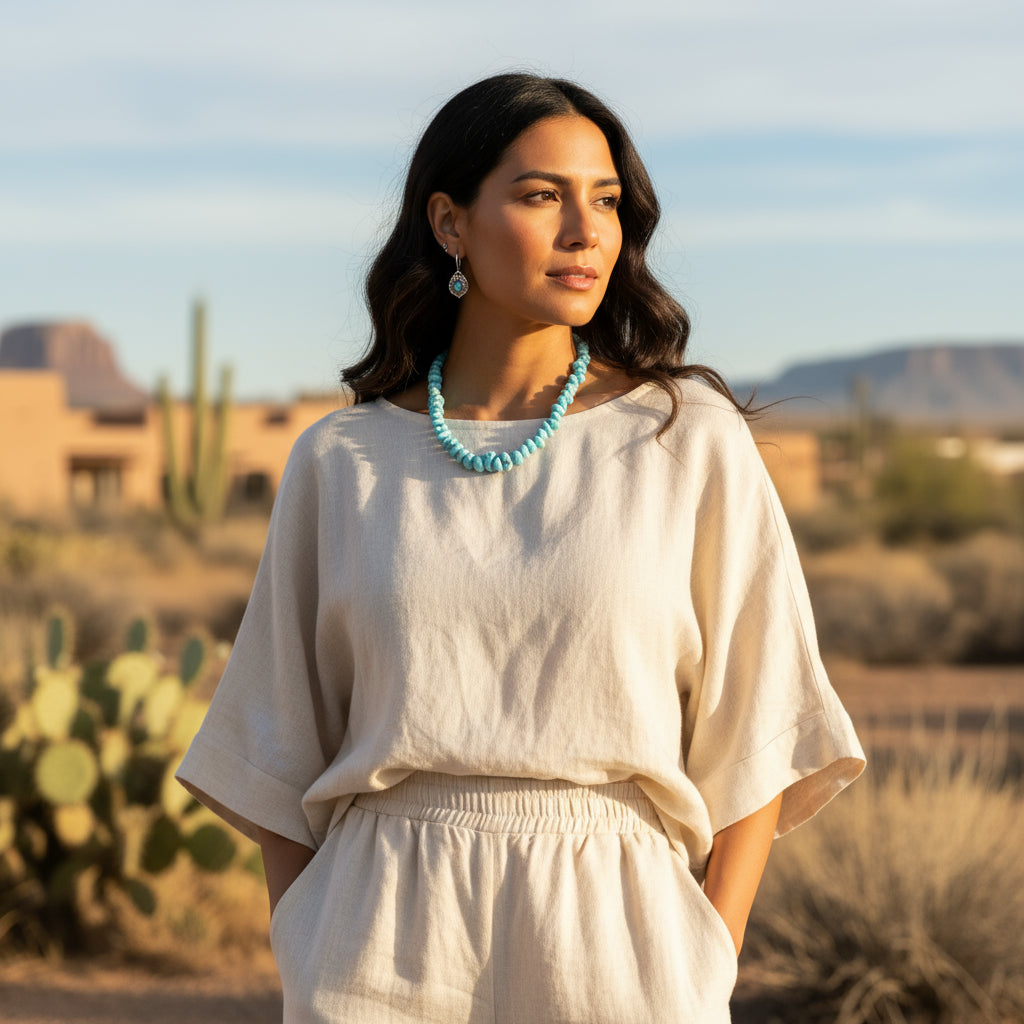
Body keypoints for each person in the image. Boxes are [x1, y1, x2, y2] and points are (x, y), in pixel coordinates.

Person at [176, 72, 865, 1023]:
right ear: (451, 223)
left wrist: (711, 948)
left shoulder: (686, 440)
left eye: (608, 200)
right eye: (544, 196)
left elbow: (762, 716)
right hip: (377, 930)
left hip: (621, 935)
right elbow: (273, 736)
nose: (587, 231)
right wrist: (309, 935)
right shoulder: (343, 461)